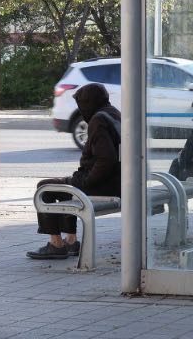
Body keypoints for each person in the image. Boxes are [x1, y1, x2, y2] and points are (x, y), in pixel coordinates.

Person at [28, 83, 121, 260]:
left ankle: (56, 244)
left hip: (104, 185)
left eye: (82, 104)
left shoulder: (98, 121)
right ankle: (70, 241)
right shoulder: (113, 114)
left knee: (44, 188)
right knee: (64, 189)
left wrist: (87, 182)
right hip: (117, 182)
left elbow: (106, 159)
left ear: (89, 103)